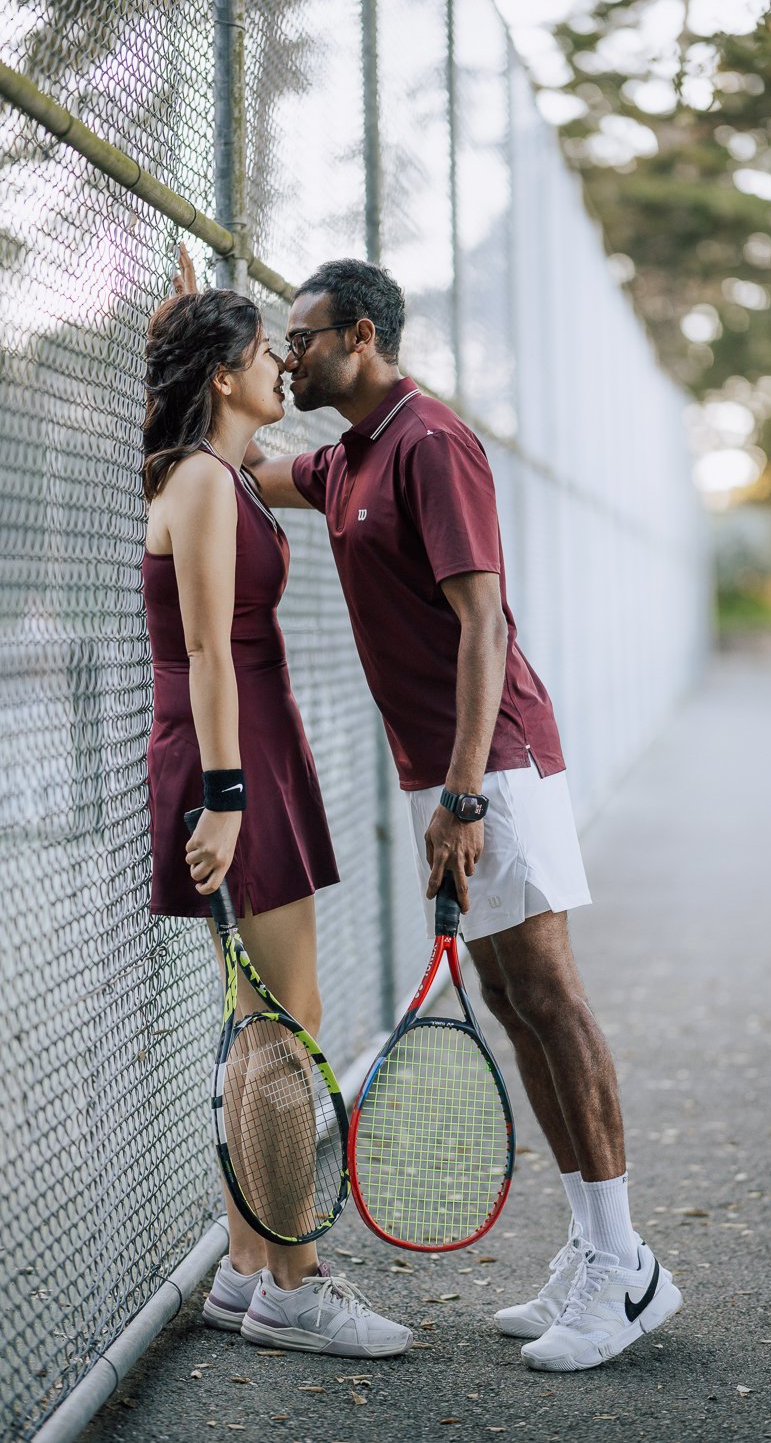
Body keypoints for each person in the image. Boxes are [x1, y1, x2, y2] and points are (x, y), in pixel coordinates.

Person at [236, 254, 683, 1372]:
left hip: (497, 767)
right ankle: (597, 1254)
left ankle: (623, 1267)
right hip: (446, 773)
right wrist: (196, 339)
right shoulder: (346, 461)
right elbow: (239, 463)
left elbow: (483, 626)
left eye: (306, 336)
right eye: (280, 341)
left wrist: (466, 792)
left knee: (549, 994)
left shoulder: (432, 444)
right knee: (510, 996)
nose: (291, 355)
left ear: (366, 337)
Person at [141, 283, 411, 1359]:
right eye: (263, 355)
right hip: (231, 757)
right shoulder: (204, 482)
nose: (281, 371)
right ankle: (295, 1284)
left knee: (262, 1025)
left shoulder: (220, 473)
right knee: (286, 1028)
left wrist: (180, 314)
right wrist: (225, 798)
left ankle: (250, 1269)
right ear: (223, 378)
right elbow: (207, 650)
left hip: (247, 748)